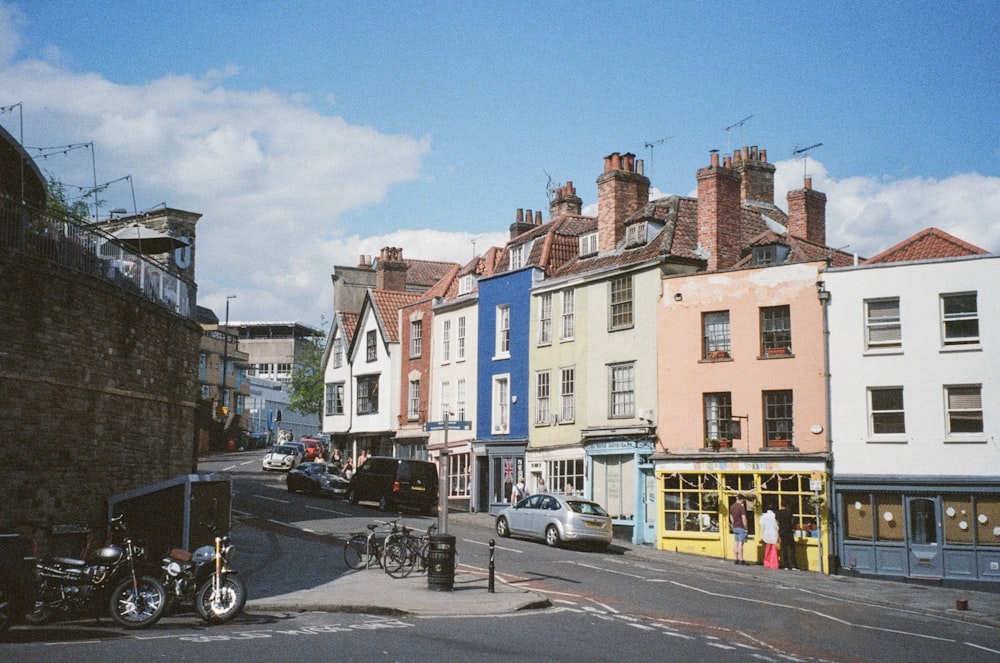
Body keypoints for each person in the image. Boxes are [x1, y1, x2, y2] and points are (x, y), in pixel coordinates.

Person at [776, 501, 798, 570]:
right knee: (792, 549)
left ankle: (786, 565)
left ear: (781, 505)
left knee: (784, 549)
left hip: (782, 532)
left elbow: (777, 523)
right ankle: (794, 565)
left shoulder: (778, 513)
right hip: (789, 531)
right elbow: (792, 522)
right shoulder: (789, 512)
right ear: (787, 505)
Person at [730, 495, 749, 565]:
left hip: (735, 526)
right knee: (741, 543)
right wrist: (746, 527)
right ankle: (741, 559)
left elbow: (731, 516)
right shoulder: (741, 507)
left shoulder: (732, 506)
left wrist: (733, 523)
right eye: (743, 500)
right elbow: (744, 518)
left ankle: (736, 559)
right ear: (741, 499)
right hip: (741, 526)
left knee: (736, 542)